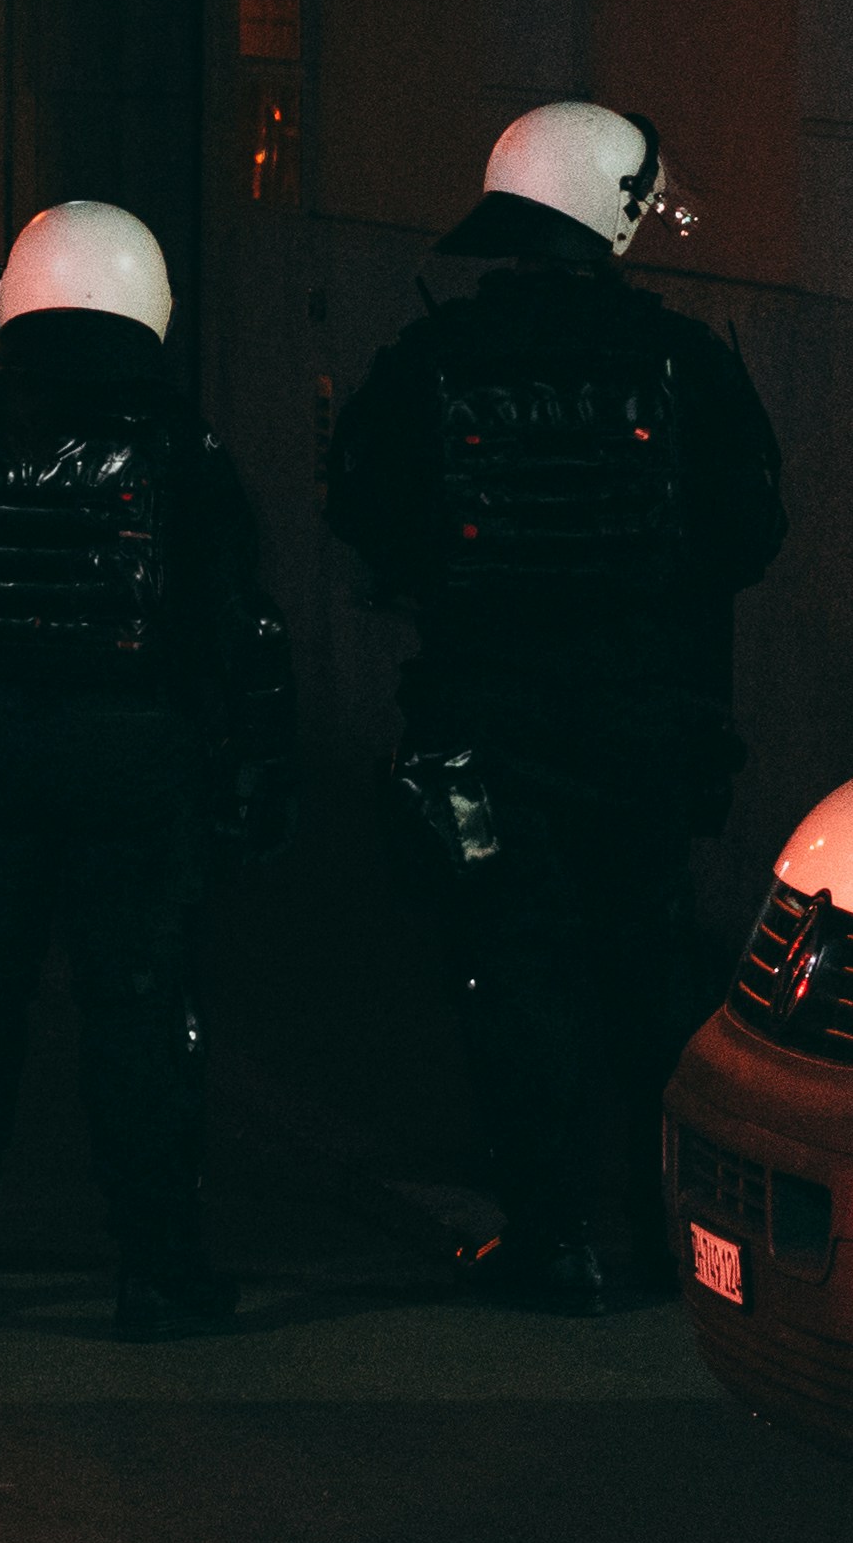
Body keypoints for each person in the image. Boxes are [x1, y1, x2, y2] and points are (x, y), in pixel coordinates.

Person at [319, 100, 786, 1313]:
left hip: (487, 722)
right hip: (641, 721)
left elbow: (365, 516)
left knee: (511, 974)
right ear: (611, 213)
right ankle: (659, 1231)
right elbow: (749, 531)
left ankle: (551, 1236)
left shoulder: (427, 362)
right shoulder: (684, 361)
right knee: (646, 973)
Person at [0, 201, 292, 1336]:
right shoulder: (180, 447)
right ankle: (153, 1263)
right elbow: (238, 619)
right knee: (137, 1012)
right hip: (135, 762)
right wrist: (237, 760)